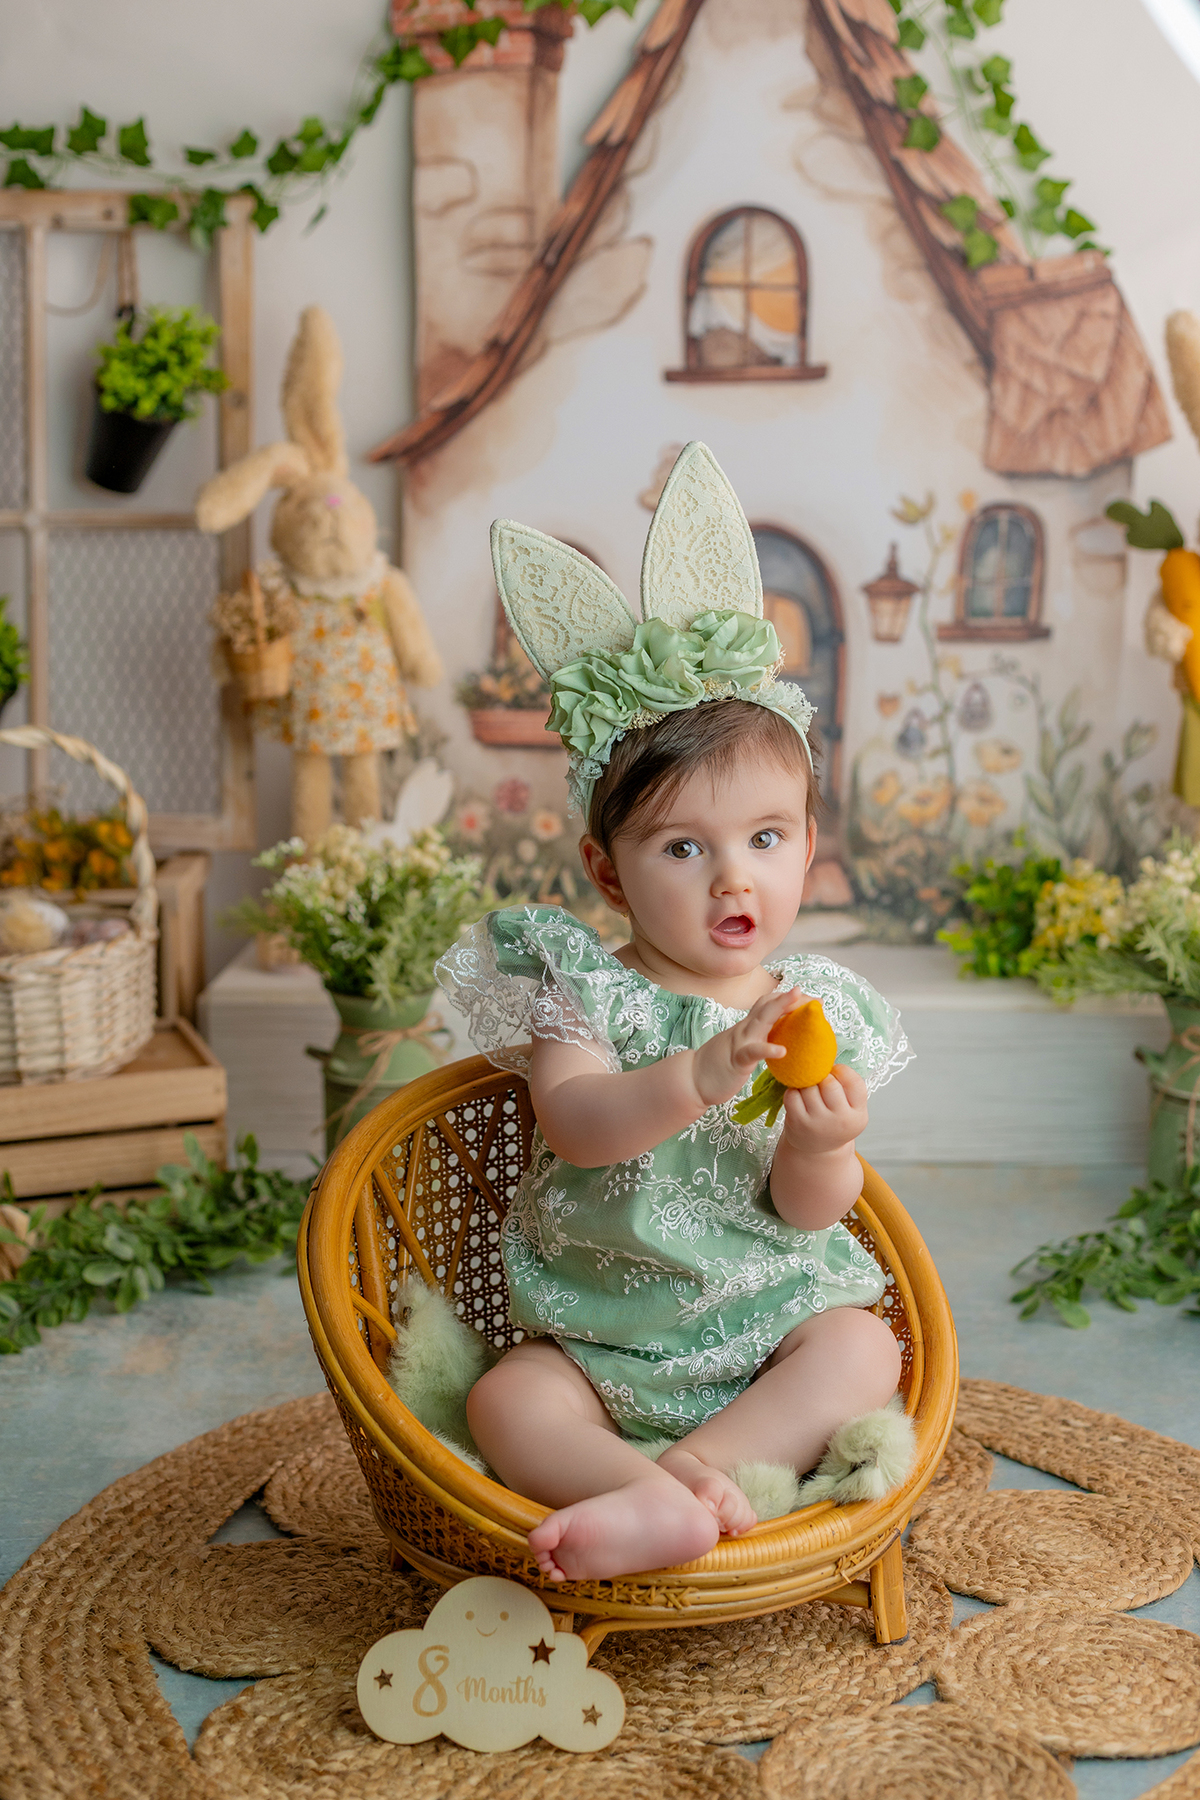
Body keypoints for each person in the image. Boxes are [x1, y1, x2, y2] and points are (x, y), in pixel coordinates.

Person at [436, 443, 911, 1584]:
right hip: (598, 1338)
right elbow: (577, 1126)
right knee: (506, 1397)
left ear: (808, 840)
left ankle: (680, 1486)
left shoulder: (816, 1007)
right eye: (684, 847)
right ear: (607, 872)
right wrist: (698, 1075)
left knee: (861, 1349)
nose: (733, 879)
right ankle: (653, 1487)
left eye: (766, 839)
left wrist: (825, 1140)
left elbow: (809, 1219)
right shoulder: (579, 985)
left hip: (763, 1327)